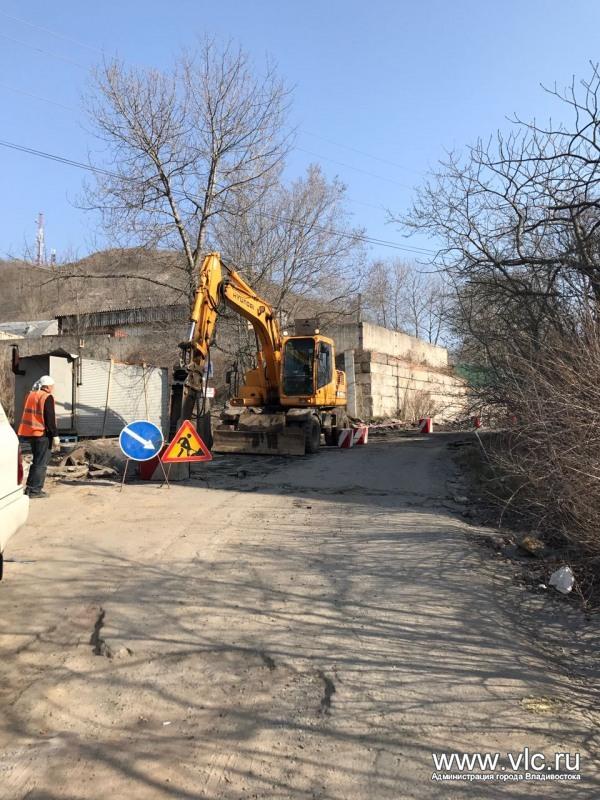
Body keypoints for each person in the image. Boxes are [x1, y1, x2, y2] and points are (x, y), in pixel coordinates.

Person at [17, 375, 61, 498]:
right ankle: (35, 491)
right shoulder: (47, 397)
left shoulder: (30, 395)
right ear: (47, 387)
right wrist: (55, 435)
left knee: (36, 461)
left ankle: (30, 488)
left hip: (31, 433)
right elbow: (49, 418)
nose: (53, 388)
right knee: (41, 463)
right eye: (52, 386)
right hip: (42, 434)